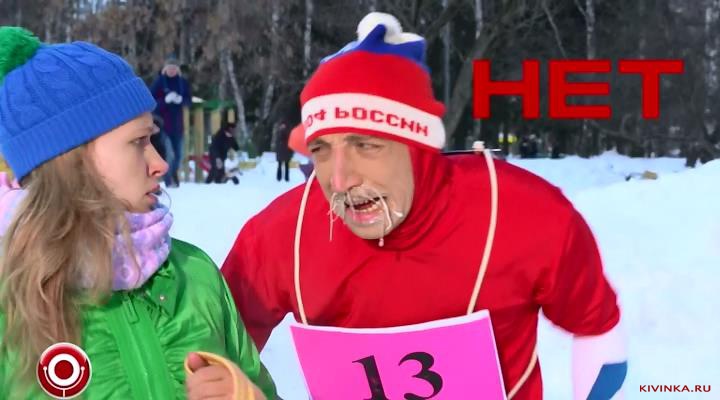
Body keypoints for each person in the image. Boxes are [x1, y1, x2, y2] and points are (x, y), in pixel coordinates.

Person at [221, 13, 626, 400]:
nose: (340, 181)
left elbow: (597, 332)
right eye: (321, 150)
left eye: (367, 145)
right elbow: (210, 349)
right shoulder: (282, 234)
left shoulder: (524, 212)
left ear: (417, 145)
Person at [0, 27, 276, 399]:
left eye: (153, 140)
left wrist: (248, 395)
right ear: (69, 161)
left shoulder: (195, 275)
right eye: (138, 141)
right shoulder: (10, 302)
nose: (160, 163)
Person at [150, 56, 191, 188]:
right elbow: (152, 103)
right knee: (169, 154)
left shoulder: (182, 82)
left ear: (177, 69)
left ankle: (173, 174)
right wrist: (165, 101)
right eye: (169, 68)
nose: (172, 71)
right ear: (165, 69)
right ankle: (168, 180)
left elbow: (189, 100)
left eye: (174, 68)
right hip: (162, 125)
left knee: (179, 155)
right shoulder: (159, 82)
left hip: (178, 125)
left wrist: (181, 100)